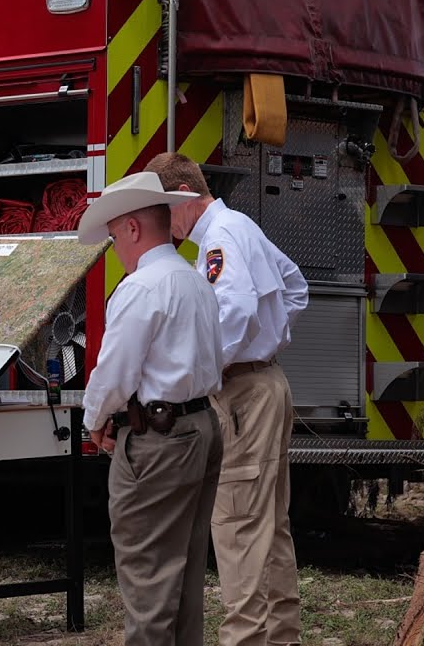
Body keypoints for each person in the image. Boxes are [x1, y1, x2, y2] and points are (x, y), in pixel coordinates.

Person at [146, 152, 308, 646]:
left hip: (241, 391)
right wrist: (268, 345)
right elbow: (295, 286)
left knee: (237, 526)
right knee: (268, 527)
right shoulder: (238, 227)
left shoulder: (217, 238)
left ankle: (245, 639)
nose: (159, 222)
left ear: (183, 198)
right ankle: (279, 635)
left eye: (162, 209)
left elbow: (232, 312)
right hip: (264, 383)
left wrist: (202, 372)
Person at [76, 171, 224, 646]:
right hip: (200, 424)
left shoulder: (141, 287)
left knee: (148, 576)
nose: (117, 246)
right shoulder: (194, 280)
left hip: (159, 436)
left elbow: (115, 371)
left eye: (116, 234)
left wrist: (93, 420)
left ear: (134, 229)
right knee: (184, 570)